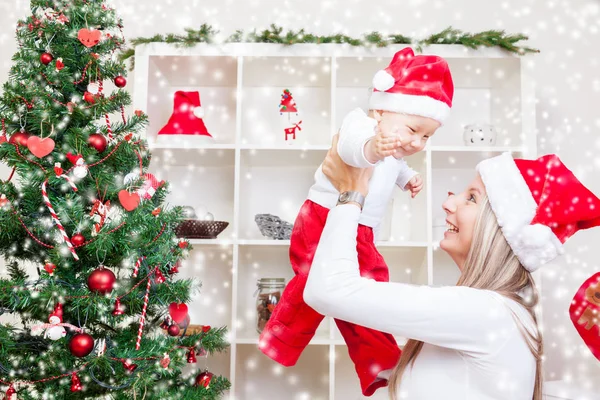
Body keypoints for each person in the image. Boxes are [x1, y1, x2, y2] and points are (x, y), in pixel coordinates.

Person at [304, 143, 600, 399]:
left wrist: (351, 193)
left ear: (501, 231)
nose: (447, 203)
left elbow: (327, 290)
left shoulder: (486, 312)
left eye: (472, 198)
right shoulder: (495, 311)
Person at [258, 47, 454, 396]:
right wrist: (372, 149)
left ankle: (377, 362)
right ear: (379, 108)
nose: (417, 142)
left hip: (359, 227)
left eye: (426, 137)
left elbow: (395, 163)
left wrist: (407, 177)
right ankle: (283, 339)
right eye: (413, 129)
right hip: (323, 215)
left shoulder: (392, 145)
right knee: (315, 286)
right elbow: (349, 150)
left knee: (364, 292)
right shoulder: (361, 125)